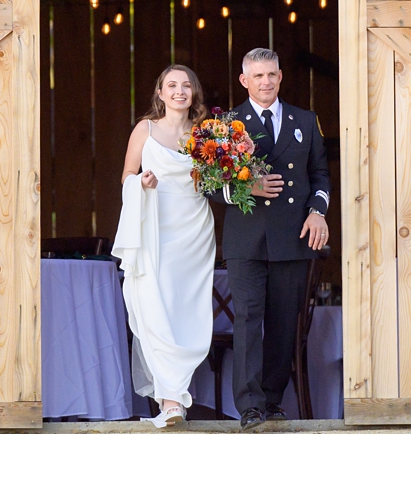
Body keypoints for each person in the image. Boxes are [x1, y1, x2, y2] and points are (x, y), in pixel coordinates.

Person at [210, 47, 330, 430]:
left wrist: (317, 211)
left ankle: (273, 401)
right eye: (258, 76)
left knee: (282, 322)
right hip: (246, 239)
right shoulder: (226, 125)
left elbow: (320, 176)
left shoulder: (305, 120)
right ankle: (249, 405)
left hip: (292, 237)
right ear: (244, 81)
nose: (266, 82)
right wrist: (250, 188)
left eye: (272, 75)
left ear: (280, 77)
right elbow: (208, 185)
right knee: (247, 320)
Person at [110, 63, 216, 429]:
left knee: (188, 311)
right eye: (171, 85)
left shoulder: (205, 135)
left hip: (194, 231)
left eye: (186, 85)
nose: (179, 91)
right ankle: (171, 401)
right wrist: (141, 182)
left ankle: (176, 393)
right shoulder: (145, 129)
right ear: (160, 92)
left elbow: (217, 182)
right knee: (155, 306)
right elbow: (126, 174)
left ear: (193, 93)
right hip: (156, 227)